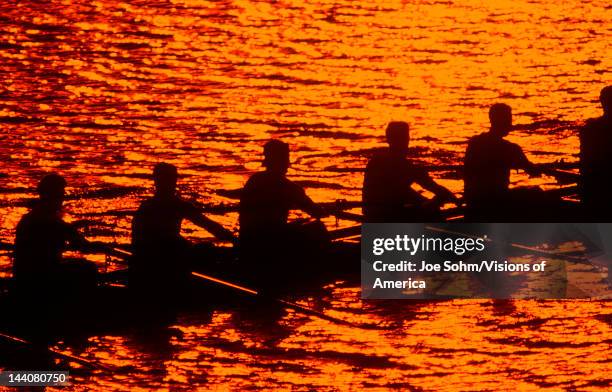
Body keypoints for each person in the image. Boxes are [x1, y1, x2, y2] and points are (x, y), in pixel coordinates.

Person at [130, 163, 235, 294]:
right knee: (207, 250)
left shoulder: (146, 205)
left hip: (149, 254)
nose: (173, 182)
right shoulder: (177, 205)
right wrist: (234, 240)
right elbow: (208, 225)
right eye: (171, 179)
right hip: (166, 254)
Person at [239, 140, 328, 275]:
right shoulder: (289, 187)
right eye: (286, 159)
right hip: (271, 241)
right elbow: (316, 211)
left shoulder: (254, 180)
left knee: (299, 224)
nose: (288, 163)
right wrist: (324, 211)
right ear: (281, 162)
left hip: (248, 238)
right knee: (318, 228)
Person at [13, 174, 111, 297]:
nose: (62, 198)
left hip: (25, 276)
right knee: (88, 268)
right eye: (60, 194)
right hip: (40, 277)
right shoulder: (48, 219)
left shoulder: (31, 217)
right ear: (52, 195)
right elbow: (80, 244)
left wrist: (73, 228)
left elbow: (65, 233)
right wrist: (101, 246)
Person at [362, 121, 458, 222]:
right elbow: (433, 187)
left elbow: (401, 191)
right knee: (434, 212)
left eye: (405, 138)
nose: (405, 142)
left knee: (427, 204)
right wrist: (454, 199)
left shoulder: (375, 161)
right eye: (403, 138)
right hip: (389, 216)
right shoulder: (406, 167)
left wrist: (426, 201)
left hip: (372, 214)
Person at [463, 104, 545, 220]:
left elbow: (467, 173)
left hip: (473, 200)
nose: (510, 124)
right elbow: (533, 171)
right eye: (508, 120)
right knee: (537, 192)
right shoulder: (511, 148)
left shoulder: (474, 142)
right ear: (501, 121)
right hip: (497, 201)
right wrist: (539, 168)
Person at [579, 86, 612, 219]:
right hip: (597, 183)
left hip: (593, 185)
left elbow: (584, 160)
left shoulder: (589, 127)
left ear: (601, 102)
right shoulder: (590, 127)